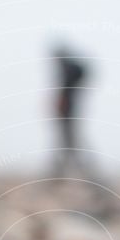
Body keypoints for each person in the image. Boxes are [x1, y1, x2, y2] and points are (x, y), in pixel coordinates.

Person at [50, 44, 93, 180]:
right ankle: (64, 172)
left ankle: (67, 172)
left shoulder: (67, 70)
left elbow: (64, 95)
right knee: (69, 143)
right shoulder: (69, 70)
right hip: (68, 111)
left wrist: (61, 104)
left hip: (68, 112)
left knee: (69, 142)